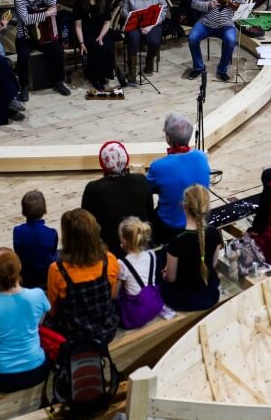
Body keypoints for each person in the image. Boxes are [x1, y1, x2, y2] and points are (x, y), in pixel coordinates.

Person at [0, 248, 49, 392]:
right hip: (36, 371)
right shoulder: (38, 295)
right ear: (19, 266)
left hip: (0, 377)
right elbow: (39, 323)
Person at [45, 209, 120, 344]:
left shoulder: (57, 269)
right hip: (105, 331)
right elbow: (112, 295)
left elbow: (53, 310)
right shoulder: (109, 260)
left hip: (72, 335)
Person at [81, 141, 155, 256]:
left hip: (109, 249)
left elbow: (86, 222)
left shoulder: (93, 188)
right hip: (139, 244)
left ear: (102, 163)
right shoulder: (141, 180)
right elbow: (150, 212)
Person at [146, 114, 211, 243]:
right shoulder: (202, 157)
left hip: (170, 226)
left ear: (168, 138)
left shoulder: (159, 166)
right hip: (200, 217)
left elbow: (147, 189)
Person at [162, 185, 222, 311]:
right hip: (209, 295)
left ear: (184, 206)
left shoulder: (177, 241)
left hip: (183, 301)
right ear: (206, 207)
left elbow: (171, 279)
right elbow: (213, 263)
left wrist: (164, 274)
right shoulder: (214, 233)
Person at [14, 0, 70, 96]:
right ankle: (24, 86)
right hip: (25, 37)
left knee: (57, 50)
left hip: (42, 36)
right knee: (23, 55)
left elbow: (52, 3)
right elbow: (26, 19)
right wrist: (46, 14)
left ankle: (58, 82)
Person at [187, 0, 245, 82]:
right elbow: (194, 3)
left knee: (231, 41)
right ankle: (198, 67)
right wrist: (208, 4)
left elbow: (243, 8)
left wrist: (235, 7)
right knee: (192, 38)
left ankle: (222, 70)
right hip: (206, 22)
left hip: (226, 24)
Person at [115, 216, 166, 329]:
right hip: (155, 304)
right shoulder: (152, 255)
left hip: (135, 313)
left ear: (124, 241)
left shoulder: (122, 263)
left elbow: (114, 294)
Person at [121, 0, 169, 80]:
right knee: (133, 39)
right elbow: (124, 11)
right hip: (134, 24)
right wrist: (134, 19)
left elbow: (163, 12)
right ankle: (132, 71)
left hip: (152, 25)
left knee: (154, 41)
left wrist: (150, 26)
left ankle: (149, 61)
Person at [74, 0, 115, 89]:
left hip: (102, 30)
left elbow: (107, 23)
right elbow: (78, 26)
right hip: (86, 32)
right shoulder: (80, 1)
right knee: (96, 48)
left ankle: (104, 75)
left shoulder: (105, 2)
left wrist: (101, 36)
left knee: (108, 47)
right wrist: (81, 42)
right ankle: (94, 78)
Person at [12, 190, 58, 289]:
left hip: (25, 275)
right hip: (46, 275)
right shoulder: (52, 233)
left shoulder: (17, 231)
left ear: (23, 212)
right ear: (45, 210)